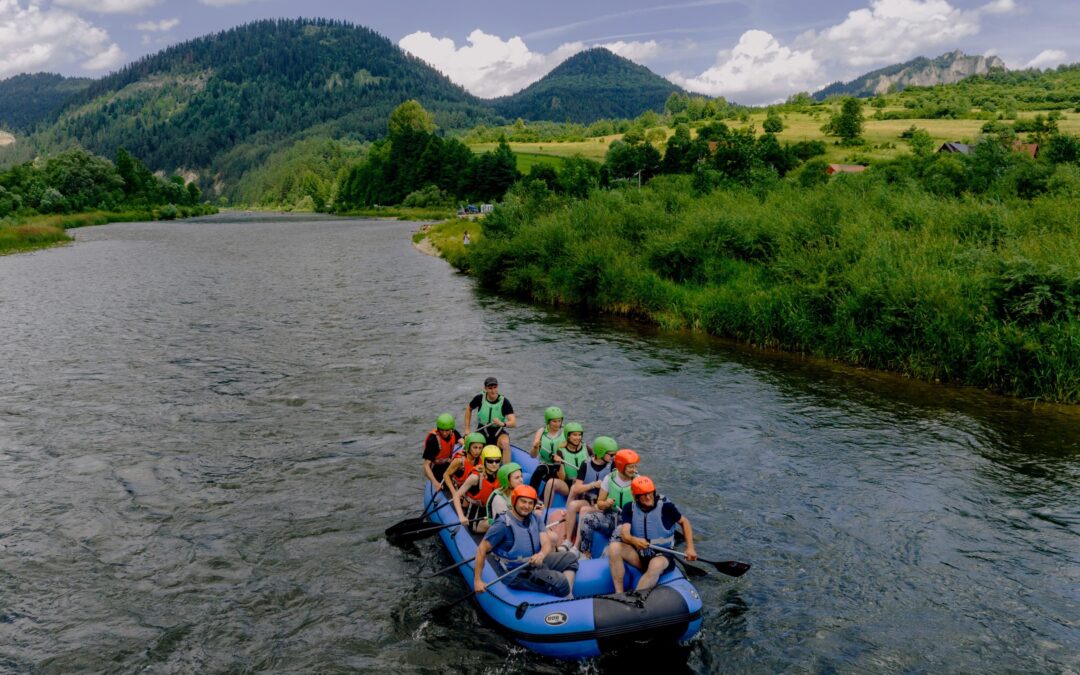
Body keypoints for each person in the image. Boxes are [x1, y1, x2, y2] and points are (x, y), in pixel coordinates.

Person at [474, 485, 578, 598]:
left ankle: (567, 593)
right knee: (561, 581)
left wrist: (541, 555)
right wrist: (477, 580)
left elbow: (546, 543)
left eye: (530, 503)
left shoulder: (535, 518)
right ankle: (565, 593)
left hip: (534, 562)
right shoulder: (502, 525)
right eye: (523, 502)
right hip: (516, 573)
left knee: (571, 558)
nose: (526, 506)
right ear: (514, 501)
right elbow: (482, 549)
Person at [608, 475, 697, 594]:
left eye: (650, 493)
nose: (648, 497)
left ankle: (635, 599)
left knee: (655, 565)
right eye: (644, 495)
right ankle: (619, 594)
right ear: (636, 497)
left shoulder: (666, 507)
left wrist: (690, 548)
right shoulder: (629, 508)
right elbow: (625, 534)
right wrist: (635, 541)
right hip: (639, 555)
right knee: (614, 548)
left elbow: (684, 522)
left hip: (662, 554)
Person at [576, 448, 639, 559]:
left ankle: (609, 552)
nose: (634, 470)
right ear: (621, 466)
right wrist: (606, 504)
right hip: (610, 517)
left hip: (628, 521)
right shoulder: (609, 479)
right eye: (630, 467)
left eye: (635, 466)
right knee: (587, 519)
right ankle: (585, 553)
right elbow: (599, 503)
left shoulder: (638, 481)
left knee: (619, 530)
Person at [488, 462, 569, 544]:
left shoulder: (520, 492)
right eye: (517, 478)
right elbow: (508, 524)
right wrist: (532, 514)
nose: (521, 480)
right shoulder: (498, 499)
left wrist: (534, 508)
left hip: (522, 528)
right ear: (507, 480)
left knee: (553, 533)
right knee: (551, 537)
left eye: (521, 476)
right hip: (508, 537)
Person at [561, 435, 618, 550]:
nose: (613, 457)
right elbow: (576, 488)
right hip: (589, 500)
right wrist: (593, 485)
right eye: (611, 454)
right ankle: (567, 541)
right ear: (601, 452)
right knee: (572, 506)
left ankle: (576, 546)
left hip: (602, 504)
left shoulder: (613, 466)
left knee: (584, 510)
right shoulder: (585, 464)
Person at [451, 446, 503, 533]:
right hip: (476, 519)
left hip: (490, 512)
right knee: (501, 523)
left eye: (497, 461)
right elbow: (456, 495)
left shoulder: (500, 475)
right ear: (484, 461)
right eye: (490, 461)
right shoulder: (475, 478)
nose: (494, 464)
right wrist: (461, 516)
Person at [464, 377, 516, 464]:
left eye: (495, 387)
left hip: (498, 431)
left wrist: (502, 423)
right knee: (474, 447)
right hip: (482, 430)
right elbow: (469, 408)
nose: (493, 391)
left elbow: (513, 422)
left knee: (506, 444)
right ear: (485, 389)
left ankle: (506, 471)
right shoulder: (480, 398)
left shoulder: (504, 402)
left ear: (497, 387)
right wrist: (467, 429)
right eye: (490, 388)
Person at [528, 406, 567, 504]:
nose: (557, 424)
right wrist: (535, 447)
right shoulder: (541, 432)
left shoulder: (565, 432)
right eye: (554, 421)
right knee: (538, 471)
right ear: (548, 422)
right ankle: (532, 496)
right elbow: (532, 456)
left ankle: (542, 500)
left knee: (552, 475)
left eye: (559, 421)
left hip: (560, 465)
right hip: (545, 464)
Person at [422, 413, 462, 490]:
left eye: (447, 430)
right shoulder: (433, 440)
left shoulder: (454, 433)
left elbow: (463, 442)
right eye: (442, 430)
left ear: (451, 429)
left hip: (449, 463)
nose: (444, 433)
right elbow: (426, 465)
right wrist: (435, 483)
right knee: (446, 487)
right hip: (436, 467)